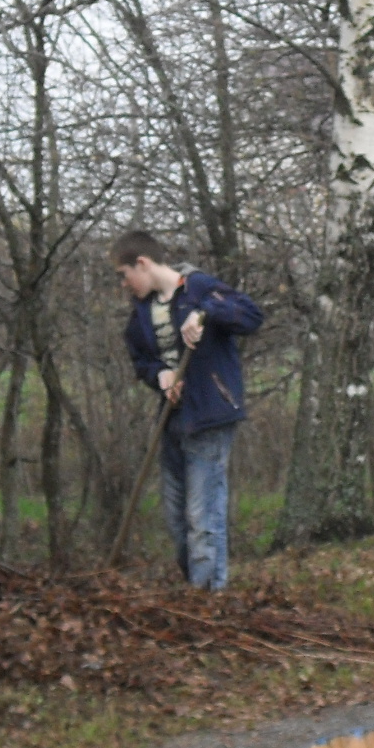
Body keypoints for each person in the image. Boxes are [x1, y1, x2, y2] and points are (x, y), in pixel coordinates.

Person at [114, 231, 264, 589]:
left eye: (123, 274)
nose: (123, 284)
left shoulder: (199, 287)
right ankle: (198, 591)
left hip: (210, 416)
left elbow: (251, 316)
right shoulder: (142, 313)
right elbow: (142, 361)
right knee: (177, 519)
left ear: (143, 263)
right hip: (172, 422)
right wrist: (160, 375)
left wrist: (205, 314)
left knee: (203, 516)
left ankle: (208, 602)